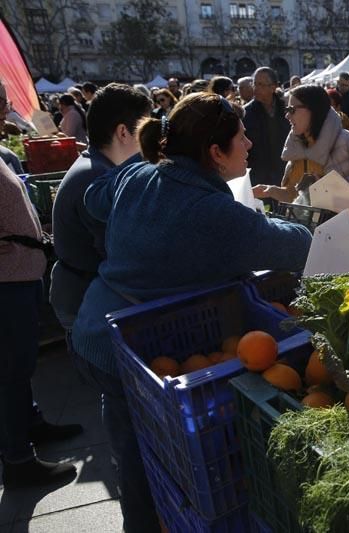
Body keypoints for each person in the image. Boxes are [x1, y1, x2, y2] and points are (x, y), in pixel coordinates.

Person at [70, 93, 312, 532]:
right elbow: (296, 244)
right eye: (242, 138)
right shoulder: (214, 214)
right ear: (215, 153)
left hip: (96, 331)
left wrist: (136, 179)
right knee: (149, 458)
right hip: (126, 350)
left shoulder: (141, 174)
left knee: (133, 443)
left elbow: (93, 199)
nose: (250, 144)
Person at [0, 158, 83, 490]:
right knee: (10, 371)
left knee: (18, 367)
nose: (5, 106)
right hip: (7, 282)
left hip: (19, 276)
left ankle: (29, 424)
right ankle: (18, 459)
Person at [51, 83, 151, 332]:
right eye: (145, 130)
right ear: (124, 133)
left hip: (81, 293)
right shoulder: (97, 178)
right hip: (85, 302)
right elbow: (117, 255)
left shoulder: (96, 166)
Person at [252, 84, 349, 204]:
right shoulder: (296, 148)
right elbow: (296, 198)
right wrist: (272, 191)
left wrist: (325, 192)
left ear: (313, 109)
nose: (287, 115)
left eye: (291, 109)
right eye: (287, 110)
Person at [243, 67, 291, 186]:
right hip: (258, 177)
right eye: (254, 84)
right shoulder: (246, 113)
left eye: (260, 84)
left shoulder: (287, 109)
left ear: (273, 87)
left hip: (285, 172)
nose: (256, 88)